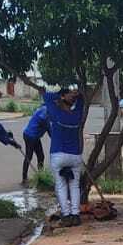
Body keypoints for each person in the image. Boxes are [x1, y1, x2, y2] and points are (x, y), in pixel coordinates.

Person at [43, 84, 87, 226]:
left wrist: (62, 96)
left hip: (58, 155)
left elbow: (47, 96)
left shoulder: (56, 113)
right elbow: (81, 99)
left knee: (61, 185)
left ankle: (66, 215)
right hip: (75, 156)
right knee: (74, 186)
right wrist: (74, 95)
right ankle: (76, 214)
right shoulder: (77, 115)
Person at [22, 103, 48, 183]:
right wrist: (49, 125)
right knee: (29, 156)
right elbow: (42, 119)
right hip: (30, 135)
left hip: (34, 136)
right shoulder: (46, 109)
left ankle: (41, 176)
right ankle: (24, 178)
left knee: (41, 156)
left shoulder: (47, 109)